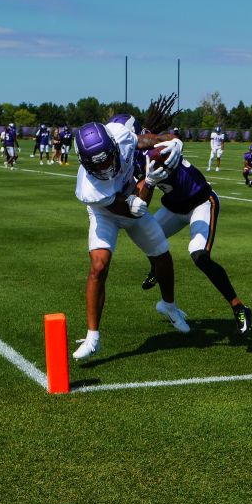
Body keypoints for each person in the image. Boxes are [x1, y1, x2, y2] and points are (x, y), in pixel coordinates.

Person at [71, 97, 188, 361]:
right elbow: (133, 209)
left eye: (106, 159)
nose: (104, 166)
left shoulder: (120, 134)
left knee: (163, 256)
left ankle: (168, 306)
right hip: (107, 210)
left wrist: (170, 141)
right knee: (99, 266)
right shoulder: (89, 189)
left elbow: (144, 141)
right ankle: (93, 337)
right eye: (97, 164)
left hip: (130, 198)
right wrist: (148, 180)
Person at [136, 137, 252, 334]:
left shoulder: (156, 148)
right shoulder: (133, 157)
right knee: (144, 234)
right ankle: (155, 268)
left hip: (201, 203)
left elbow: (164, 138)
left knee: (199, 255)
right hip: (174, 208)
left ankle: (239, 307)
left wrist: (176, 141)